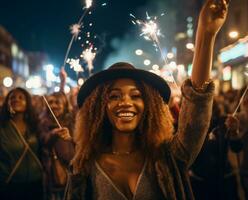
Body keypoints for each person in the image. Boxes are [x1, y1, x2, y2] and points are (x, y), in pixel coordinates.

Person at [65, 0, 229, 199]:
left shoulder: (166, 158)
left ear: (149, 106)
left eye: (136, 96)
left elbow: (195, 115)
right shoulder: (83, 167)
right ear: (99, 108)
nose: (126, 102)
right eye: (114, 96)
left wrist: (206, 34)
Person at [0, 87, 44, 200]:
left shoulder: (34, 125)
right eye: (12, 98)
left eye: (21, 97)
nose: (16, 100)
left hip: (35, 183)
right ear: (7, 103)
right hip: (10, 185)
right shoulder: (2, 127)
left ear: (27, 103)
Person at [40, 92, 74, 200]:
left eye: (57, 102)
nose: (53, 105)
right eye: (50, 102)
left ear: (64, 104)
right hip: (54, 173)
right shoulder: (43, 122)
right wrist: (53, 134)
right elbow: (43, 141)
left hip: (74, 172)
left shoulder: (73, 121)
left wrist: (71, 138)